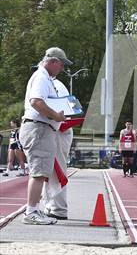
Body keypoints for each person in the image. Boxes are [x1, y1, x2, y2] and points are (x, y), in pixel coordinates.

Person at [19, 47, 70, 225]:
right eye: (61, 65)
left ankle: (34, 210)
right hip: (38, 128)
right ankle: (31, 211)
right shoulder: (41, 77)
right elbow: (36, 102)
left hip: (40, 128)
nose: (62, 69)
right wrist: (56, 116)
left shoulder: (45, 77)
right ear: (53, 61)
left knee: (40, 172)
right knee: (39, 173)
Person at [42, 78, 73, 220]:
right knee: (48, 170)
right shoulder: (52, 84)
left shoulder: (54, 85)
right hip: (57, 128)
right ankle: (50, 205)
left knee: (56, 170)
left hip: (58, 128)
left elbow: (59, 111)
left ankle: (59, 208)